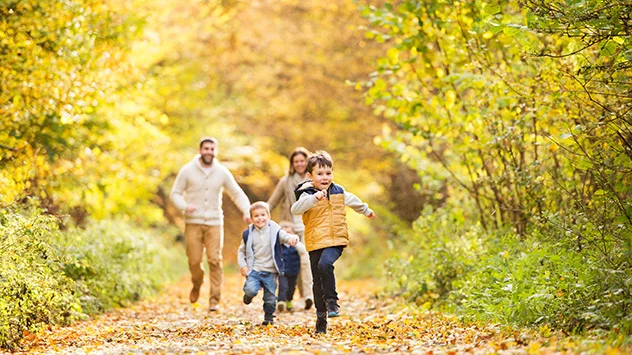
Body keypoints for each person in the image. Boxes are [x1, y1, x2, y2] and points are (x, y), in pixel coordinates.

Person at [291, 151, 376, 334]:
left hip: (336, 240)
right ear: (310, 176)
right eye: (320, 174)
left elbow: (354, 201)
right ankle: (321, 317)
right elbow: (295, 209)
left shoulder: (339, 191)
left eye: (328, 173)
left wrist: (366, 210)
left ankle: (332, 302)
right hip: (315, 242)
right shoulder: (307, 194)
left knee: (325, 264)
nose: (325, 177)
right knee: (317, 282)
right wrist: (314, 198)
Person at [171, 137, 252, 312]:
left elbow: (237, 193)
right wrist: (185, 206)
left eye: (212, 149)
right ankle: (197, 282)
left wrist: (247, 211)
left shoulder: (222, 172)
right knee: (194, 260)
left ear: (216, 151)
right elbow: (175, 193)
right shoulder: (187, 170)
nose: (209, 152)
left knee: (215, 260)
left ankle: (214, 300)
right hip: (193, 222)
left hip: (215, 222)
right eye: (206, 148)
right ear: (200, 150)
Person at [267, 147, 314, 310]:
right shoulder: (285, 181)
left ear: (307, 162)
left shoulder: (314, 180)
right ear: (292, 164)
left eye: (302, 161)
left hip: (308, 225)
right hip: (289, 227)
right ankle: (287, 297)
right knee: (288, 264)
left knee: (306, 260)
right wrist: (260, 215)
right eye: (296, 161)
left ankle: (308, 296)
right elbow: (272, 202)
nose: (300, 164)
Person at [238, 202, 299, 325]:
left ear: (268, 216)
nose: (260, 218)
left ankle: (269, 317)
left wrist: (292, 238)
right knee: (250, 289)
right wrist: (243, 265)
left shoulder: (275, 231)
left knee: (270, 297)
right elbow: (241, 251)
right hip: (254, 269)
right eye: (256, 216)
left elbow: (285, 236)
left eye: (263, 215)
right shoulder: (248, 234)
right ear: (251, 219)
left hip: (270, 271)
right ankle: (248, 295)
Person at [276, 221, 308, 312]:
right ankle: (281, 301)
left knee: (291, 288)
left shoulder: (297, 247)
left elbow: (303, 252)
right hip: (282, 271)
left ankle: (289, 301)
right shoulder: (279, 246)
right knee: (283, 286)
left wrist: (295, 243)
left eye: (289, 233)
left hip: (294, 271)